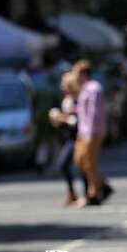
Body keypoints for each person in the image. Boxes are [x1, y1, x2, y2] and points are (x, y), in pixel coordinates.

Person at [72, 60, 113, 206]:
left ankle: (95, 194)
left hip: (93, 131)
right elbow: (83, 110)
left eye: (75, 72)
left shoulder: (93, 88)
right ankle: (102, 185)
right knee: (80, 160)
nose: (73, 76)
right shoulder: (84, 88)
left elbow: (94, 113)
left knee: (90, 163)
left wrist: (89, 133)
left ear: (83, 73)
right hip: (84, 131)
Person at [48, 71, 85, 206]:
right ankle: (72, 193)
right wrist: (57, 119)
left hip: (78, 137)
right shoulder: (66, 100)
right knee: (65, 165)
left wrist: (61, 118)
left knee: (79, 165)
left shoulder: (77, 98)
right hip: (69, 137)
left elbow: (75, 120)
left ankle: (86, 194)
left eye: (64, 83)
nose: (61, 86)